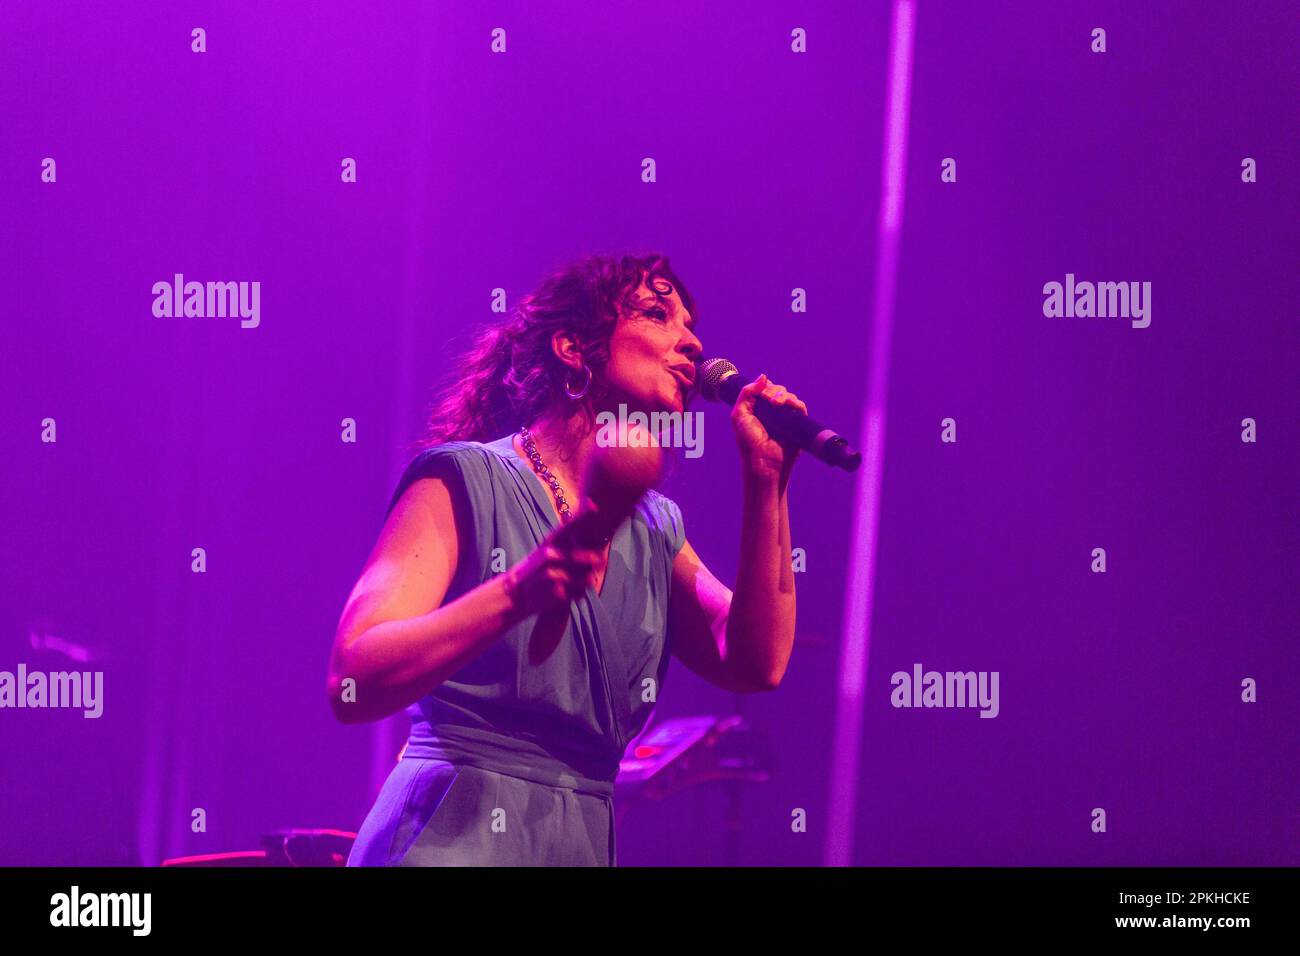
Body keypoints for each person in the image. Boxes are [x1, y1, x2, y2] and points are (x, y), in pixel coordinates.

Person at [328, 252, 805, 865]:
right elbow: (351, 680)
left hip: (578, 840)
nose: (692, 343)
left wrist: (767, 481)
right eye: (659, 315)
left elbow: (756, 662)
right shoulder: (466, 479)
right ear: (573, 349)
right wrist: (518, 592)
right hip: (451, 832)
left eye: (691, 324)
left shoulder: (657, 528)